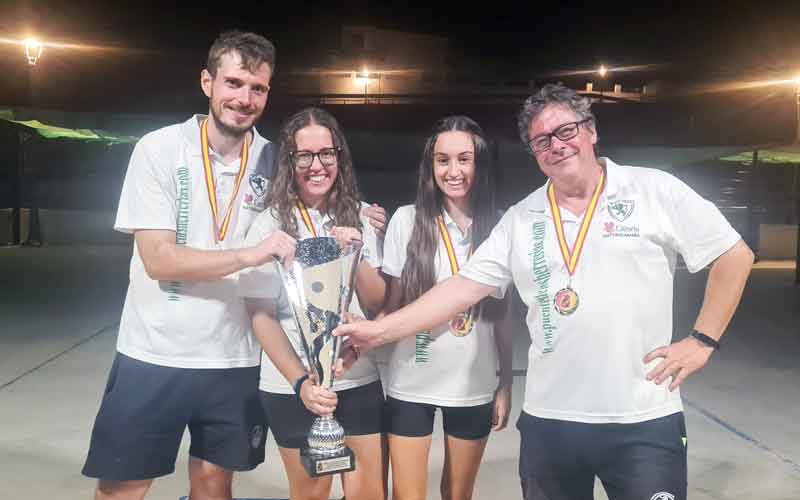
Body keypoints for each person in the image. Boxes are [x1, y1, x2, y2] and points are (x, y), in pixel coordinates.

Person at [335, 83, 754, 500]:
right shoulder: (522, 218)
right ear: (534, 153)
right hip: (551, 423)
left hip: (641, 418)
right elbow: (460, 289)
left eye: (566, 131)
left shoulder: (652, 190)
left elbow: (733, 254)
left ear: (590, 131)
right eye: (541, 140)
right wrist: (378, 332)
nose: (556, 145)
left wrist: (703, 340)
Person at [238, 107, 387, 500]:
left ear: (339, 156)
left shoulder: (358, 215)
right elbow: (261, 315)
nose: (317, 165)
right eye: (304, 155)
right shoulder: (269, 224)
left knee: (368, 494)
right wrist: (301, 383)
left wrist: (356, 252)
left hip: (357, 379)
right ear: (289, 162)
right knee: (310, 495)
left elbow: (376, 302)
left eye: (327, 153)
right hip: (291, 386)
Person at [379, 116, 513, 500]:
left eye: (464, 159)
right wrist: (361, 331)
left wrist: (504, 382)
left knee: (458, 494)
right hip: (411, 381)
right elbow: (392, 305)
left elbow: (503, 314)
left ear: (479, 163)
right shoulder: (407, 220)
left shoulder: (500, 226)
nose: (453, 171)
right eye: (442, 160)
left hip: (473, 382)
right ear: (430, 166)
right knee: (408, 495)